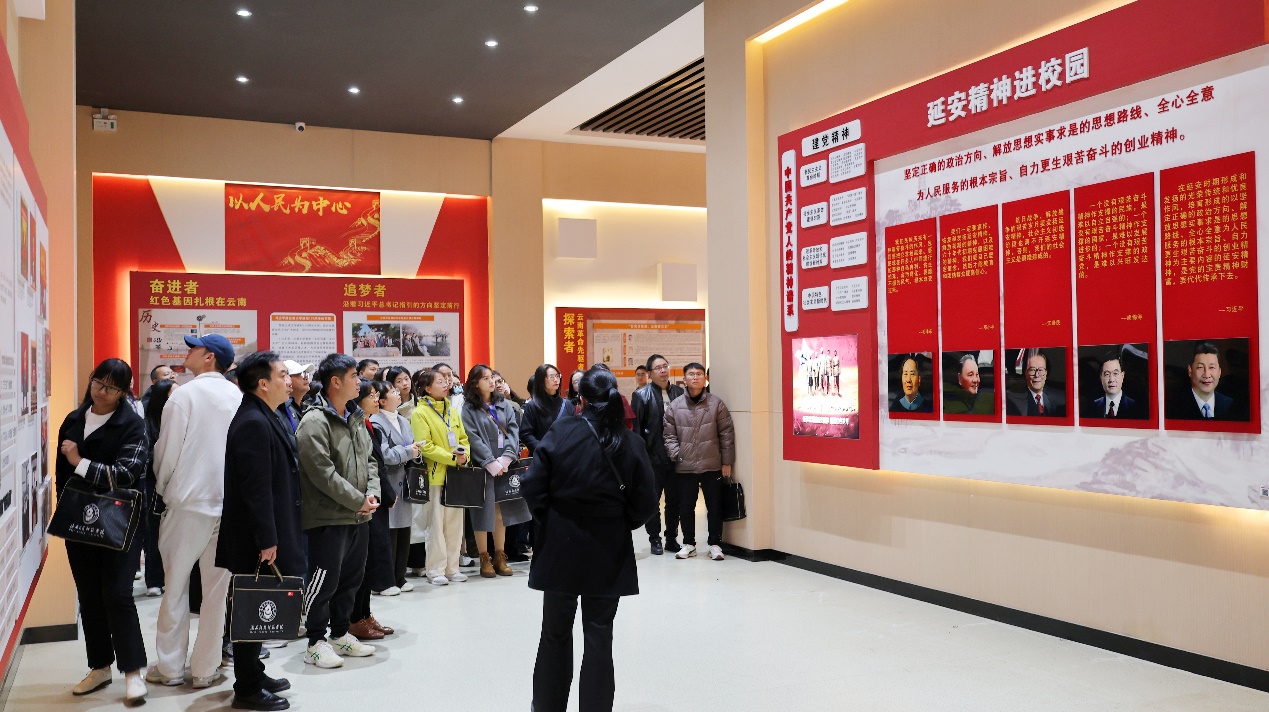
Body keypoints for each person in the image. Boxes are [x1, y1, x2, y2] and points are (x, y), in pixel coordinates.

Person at [522, 366, 657, 712]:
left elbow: (533, 486)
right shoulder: (630, 442)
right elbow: (645, 503)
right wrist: (619, 522)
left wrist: (550, 520)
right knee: (599, 636)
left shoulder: (561, 432)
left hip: (560, 545)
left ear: (580, 399)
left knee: (554, 634)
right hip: (608, 547)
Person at [149, 334, 242, 689]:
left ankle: (171, 668)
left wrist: (163, 490)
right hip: (227, 507)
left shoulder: (184, 396)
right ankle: (205, 668)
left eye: (194, 347)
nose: (187, 351)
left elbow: (167, 452)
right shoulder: (238, 397)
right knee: (217, 593)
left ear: (209, 357)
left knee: (175, 587)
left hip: (187, 504)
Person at [57, 359, 151, 704]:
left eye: (111, 387)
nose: (101, 391)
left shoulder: (132, 425)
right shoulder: (73, 419)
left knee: (118, 594)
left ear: (124, 392)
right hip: (79, 522)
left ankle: (133, 672)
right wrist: (65, 512)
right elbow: (62, 478)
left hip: (120, 524)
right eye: (98, 382)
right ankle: (99, 667)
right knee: (89, 596)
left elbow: (126, 473)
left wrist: (79, 462)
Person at [216, 352, 303, 711]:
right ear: (263, 383)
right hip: (256, 537)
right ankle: (247, 688)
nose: (289, 380)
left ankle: (254, 671)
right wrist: (266, 539)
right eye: (282, 374)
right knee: (252, 607)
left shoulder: (266, 414)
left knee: (255, 606)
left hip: (268, 530)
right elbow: (256, 488)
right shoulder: (253, 421)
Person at [297, 354, 381, 668]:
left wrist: (372, 493)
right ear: (335, 381)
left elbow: (370, 461)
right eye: (353, 376)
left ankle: (340, 634)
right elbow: (322, 473)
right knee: (324, 582)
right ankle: (315, 642)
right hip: (328, 517)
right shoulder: (314, 421)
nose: (359, 382)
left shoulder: (355, 415)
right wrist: (357, 499)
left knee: (351, 580)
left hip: (359, 514)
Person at [459, 364, 532, 578]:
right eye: (485, 378)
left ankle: (500, 556)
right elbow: (472, 437)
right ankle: (484, 558)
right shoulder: (468, 408)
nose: (491, 381)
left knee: (501, 512)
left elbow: (513, 431)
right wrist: (490, 462)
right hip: (482, 467)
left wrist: (506, 458)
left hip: (504, 464)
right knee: (482, 511)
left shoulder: (504, 404)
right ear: (475, 383)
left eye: (492, 377)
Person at [662, 363, 735, 561]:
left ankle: (715, 544)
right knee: (686, 507)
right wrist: (676, 454)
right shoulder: (675, 406)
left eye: (699, 374)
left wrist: (727, 461)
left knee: (714, 506)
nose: (695, 377)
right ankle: (689, 544)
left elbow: (726, 434)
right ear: (684, 379)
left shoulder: (716, 404)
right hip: (685, 466)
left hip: (712, 464)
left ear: (705, 378)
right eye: (691, 374)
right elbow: (669, 435)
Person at [410, 370, 472, 584]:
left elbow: (463, 438)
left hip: (456, 475)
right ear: (427, 388)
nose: (446, 384)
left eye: (446, 381)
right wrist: (452, 458)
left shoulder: (452, 411)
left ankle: (452, 568)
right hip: (434, 476)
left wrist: (465, 455)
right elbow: (424, 446)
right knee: (435, 525)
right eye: (440, 381)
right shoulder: (420, 413)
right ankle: (436, 570)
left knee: (455, 525)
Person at [350, 380, 398, 640]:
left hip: (375, 496)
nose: (377, 400)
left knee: (371, 560)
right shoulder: (357, 424)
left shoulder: (368, 424)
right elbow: (375, 466)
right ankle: (355, 619)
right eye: (372, 396)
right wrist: (386, 493)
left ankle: (366, 614)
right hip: (367, 499)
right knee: (362, 563)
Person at [368, 379, 421, 595]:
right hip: (387, 483)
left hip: (404, 481)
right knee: (388, 534)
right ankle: (386, 579)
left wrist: (415, 451)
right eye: (392, 391)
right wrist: (408, 451)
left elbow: (411, 446)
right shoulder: (376, 421)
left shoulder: (403, 420)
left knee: (404, 531)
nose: (398, 393)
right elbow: (384, 455)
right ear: (381, 400)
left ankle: (400, 577)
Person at [629, 354, 685, 555]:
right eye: (658, 368)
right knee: (653, 500)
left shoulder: (679, 392)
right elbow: (636, 429)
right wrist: (639, 458)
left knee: (674, 500)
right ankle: (655, 539)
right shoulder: (641, 395)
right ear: (650, 373)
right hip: (652, 457)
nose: (663, 371)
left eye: (665, 366)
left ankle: (671, 538)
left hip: (676, 456)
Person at [140, 379, 178, 597]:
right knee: (154, 531)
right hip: (154, 483)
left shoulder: (180, 419)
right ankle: (153, 579)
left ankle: (169, 578)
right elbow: (147, 455)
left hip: (177, 483)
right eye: (173, 394)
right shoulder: (148, 422)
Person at [1167, 342, 1236, 420]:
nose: (1207, 375)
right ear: (1190, 371)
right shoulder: (1174, 407)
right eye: (1200, 367)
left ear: (1220, 372)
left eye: (1212, 367)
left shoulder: (1231, 405)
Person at [1084, 352, 1145, 419]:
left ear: (1122, 376)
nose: (1111, 380)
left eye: (1115, 373)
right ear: (1101, 378)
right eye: (1107, 374)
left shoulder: (1137, 406)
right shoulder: (1092, 406)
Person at [521, 364, 564, 455]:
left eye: (557, 376)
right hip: (542, 455)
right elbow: (526, 434)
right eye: (551, 377)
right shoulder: (532, 406)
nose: (556, 380)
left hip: (564, 455)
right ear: (541, 380)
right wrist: (542, 449)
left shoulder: (567, 405)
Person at [1006, 351, 1065, 417]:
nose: (1037, 375)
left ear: (1046, 373)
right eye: (1032, 370)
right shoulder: (1012, 401)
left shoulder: (1059, 398)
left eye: (1041, 370)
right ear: (1026, 373)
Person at [278, 361, 313, 435]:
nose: (306, 378)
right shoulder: (280, 411)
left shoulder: (309, 407)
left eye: (306, 374)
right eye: (300, 374)